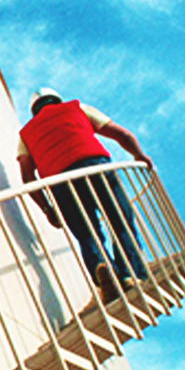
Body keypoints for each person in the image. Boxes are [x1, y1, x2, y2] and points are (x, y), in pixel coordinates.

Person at [17, 87, 153, 303]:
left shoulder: (26, 134)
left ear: (34, 110)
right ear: (57, 99)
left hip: (61, 183)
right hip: (96, 167)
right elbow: (123, 134)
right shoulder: (76, 108)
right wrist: (139, 155)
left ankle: (102, 268)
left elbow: (27, 176)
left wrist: (47, 208)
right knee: (121, 223)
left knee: (86, 234)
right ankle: (130, 274)